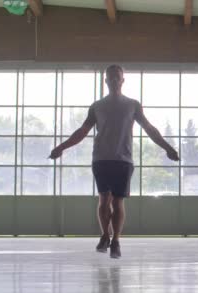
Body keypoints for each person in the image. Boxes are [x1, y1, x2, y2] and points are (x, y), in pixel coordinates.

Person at [49, 65, 179, 259]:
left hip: (123, 160)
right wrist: (62, 147)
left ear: (122, 80)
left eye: (117, 78)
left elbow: (150, 128)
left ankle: (116, 240)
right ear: (106, 81)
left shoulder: (133, 105)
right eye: (110, 78)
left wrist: (167, 147)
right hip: (101, 158)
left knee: (117, 202)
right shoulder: (97, 106)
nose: (114, 81)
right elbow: (82, 132)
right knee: (103, 201)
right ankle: (104, 235)